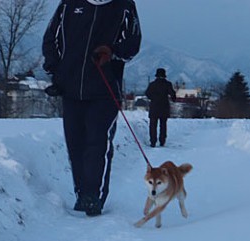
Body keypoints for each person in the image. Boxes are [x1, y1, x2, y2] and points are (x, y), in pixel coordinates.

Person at [42, 0, 141, 216]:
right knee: (75, 144)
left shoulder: (123, 5)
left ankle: (93, 196)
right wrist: (54, 70)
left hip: (105, 88)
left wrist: (112, 51)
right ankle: (82, 193)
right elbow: (51, 37)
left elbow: (133, 43)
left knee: (98, 142)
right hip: (70, 88)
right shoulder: (69, 3)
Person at [145, 68, 176, 147]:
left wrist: (153, 98)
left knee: (153, 125)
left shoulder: (152, 84)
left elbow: (147, 93)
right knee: (163, 125)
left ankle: (153, 141)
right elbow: (172, 94)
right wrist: (173, 98)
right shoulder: (168, 84)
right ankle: (162, 141)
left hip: (154, 107)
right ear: (164, 75)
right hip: (164, 107)